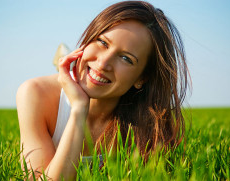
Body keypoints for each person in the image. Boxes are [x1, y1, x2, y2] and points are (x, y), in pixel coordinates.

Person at [17, 1, 190, 180]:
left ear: (142, 78)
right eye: (102, 42)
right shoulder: (35, 93)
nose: (103, 63)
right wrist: (78, 111)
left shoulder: (148, 124)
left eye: (126, 58)